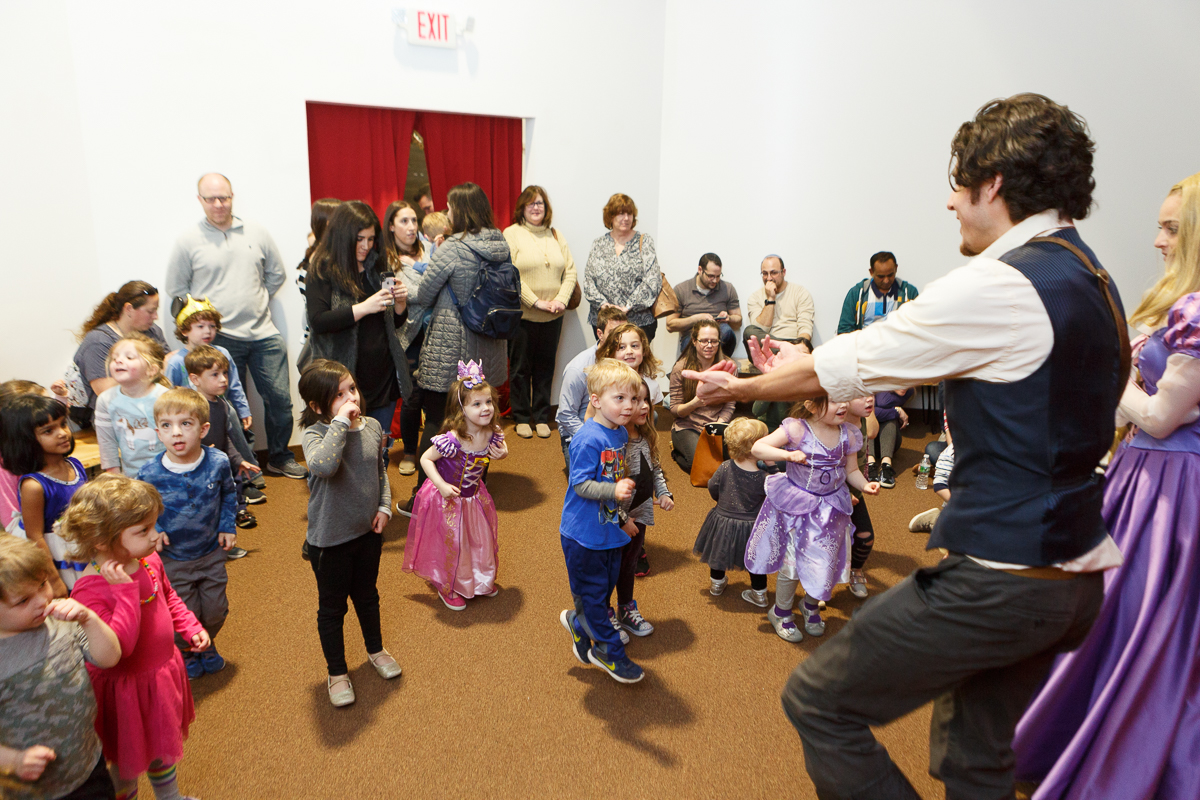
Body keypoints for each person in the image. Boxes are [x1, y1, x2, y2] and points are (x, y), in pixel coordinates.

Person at [685, 93, 1126, 799]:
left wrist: (734, 390)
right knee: (974, 761)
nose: (950, 203)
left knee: (820, 703)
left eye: (958, 184)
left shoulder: (1004, 285)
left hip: (1003, 579)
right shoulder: (1094, 277)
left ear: (994, 185)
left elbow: (850, 361)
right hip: (1073, 578)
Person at [1012, 172, 1200, 800]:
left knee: (1148, 628)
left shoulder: (1196, 312)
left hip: (1172, 490)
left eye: (1170, 227)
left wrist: (1107, 368)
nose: (1157, 239)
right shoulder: (1180, 304)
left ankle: (1129, 763)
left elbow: (1157, 416)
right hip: (1144, 475)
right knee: (1118, 621)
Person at [61, 474, 211, 800]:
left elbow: (167, 597)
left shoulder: (147, 559)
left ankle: (169, 797)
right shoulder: (89, 588)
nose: (155, 537)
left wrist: (189, 626)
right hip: (125, 690)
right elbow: (120, 648)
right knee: (126, 764)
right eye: (143, 531)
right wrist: (126, 593)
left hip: (158, 677)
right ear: (102, 540)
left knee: (160, 747)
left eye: (153, 526)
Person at [165, 173, 303, 479]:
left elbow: (276, 274)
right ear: (199, 200)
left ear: (232, 197)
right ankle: (243, 466)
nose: (218, 204)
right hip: (219, 339)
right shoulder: (188, 241)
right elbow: (177, 290)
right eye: (210, 198)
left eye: (224, 197)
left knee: (280, 399)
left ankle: (279, 457)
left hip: (264, 332)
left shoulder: (256, 232)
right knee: (225, 410)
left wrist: (255, 302)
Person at [400, 182, 511, 514]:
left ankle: (424, 497)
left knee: (436, 419)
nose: (446, 212)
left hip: (452, 350)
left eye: (449, 207)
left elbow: (424, 293)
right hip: (489, 350)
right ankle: (472, 490)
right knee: (482, 420)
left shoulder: (452, 247)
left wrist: (403, 280)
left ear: (460, 210)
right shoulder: (501, 243)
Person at [297, 360, 400, 708]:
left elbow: (379, 472)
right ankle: (337, 671)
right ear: (316, 407)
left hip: (366, 534)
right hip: (329, 541)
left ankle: (375, 649)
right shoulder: (314, 435)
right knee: (332, 609)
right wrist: (340, 422)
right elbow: (324, 466)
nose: (350, 398)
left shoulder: (371, 426)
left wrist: (385, 507)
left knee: (368, 598)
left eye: (351, 389)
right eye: (338, 395)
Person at [745, 397, 878, 642]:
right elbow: (758, 449)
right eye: (834, 400)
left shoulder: (848, 433)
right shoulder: (797, 428)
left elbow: (851, 470)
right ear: (811, 404)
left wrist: (864, 484)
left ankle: (810, 604)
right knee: (793, 563)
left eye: (844, 399)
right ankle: (781, 611)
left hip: (831, 510)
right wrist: (788, 455)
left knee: (825, 560)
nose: (843, 406)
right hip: (800, 508)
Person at [0, 534, 122, 800]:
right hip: (36, 789)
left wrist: (89, 619)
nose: (42, 600)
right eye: (22, 601)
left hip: (88, 762)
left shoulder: (60, 624)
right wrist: (13, 760)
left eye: (42, 584)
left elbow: (109, 657)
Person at [135, 388, 237, 683]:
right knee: (184, 612)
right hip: (173, 559)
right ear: (158, 432)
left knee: (217, 609)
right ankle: (189, 651)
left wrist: (227, 525)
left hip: (210, 552)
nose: (176, 433)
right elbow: (140, 508)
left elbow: (230, 494)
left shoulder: (217, 461)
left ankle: (206, 640)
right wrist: (153, 529)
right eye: (166, 425)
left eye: (186, 424)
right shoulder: (149, 472)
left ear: (203, 429)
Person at [558, 359, 642, 684]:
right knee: (594, 598)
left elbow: (612, 478)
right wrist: (614, 489)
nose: (628, 405)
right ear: (596, 400)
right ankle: (608, 652)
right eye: (619, 398)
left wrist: (621, 516)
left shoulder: (620, 433)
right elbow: (580, 484)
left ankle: (578, 624)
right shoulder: (587, 439)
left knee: (602, 591)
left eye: (632, 399)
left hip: (608, 531)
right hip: (582, 536)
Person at [402, 361, 507, 611]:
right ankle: (447, 584)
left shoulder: (492, 431)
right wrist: (440, 485)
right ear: (461, 408)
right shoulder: (453, 438)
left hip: (473, 498)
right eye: (477, 404)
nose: (486, 409)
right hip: (447, 499)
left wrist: (501, 454)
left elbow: (501, 450)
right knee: (453, 543)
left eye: (488, 402)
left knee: (477, 540)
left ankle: (479, 580)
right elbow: (426, 459)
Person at [306, 200, 411, 434]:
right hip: (342, 383)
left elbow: (393, 325)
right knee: (345, 453)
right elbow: (318, 321)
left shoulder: (377, 268)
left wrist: (401, 305)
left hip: (382, 377)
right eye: (359, 239)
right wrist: (364, 307)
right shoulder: (322, 270)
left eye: (371, 239)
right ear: (344, 237)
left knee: (378, 449)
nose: (366, 246)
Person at [504, 185, 578, 440]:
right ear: (521, 208)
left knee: (546, 368)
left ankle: (542, 416)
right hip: (523, 316)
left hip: (554, 315)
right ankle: (523, 417)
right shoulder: (511, 234)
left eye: (540, 204)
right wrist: (535, 302)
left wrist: (560, 300)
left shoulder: (555, 235)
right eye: (531, 203)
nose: (536, 208)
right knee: (520, 368)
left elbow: (570, 271)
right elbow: (510, 274)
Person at [0, 396, 87, 597]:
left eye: (63, 425)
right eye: (48, 431)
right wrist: (54, 580)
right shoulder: (34, 486)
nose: (63, 433)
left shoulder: (75, 465)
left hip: (85, 548)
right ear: (27, 440)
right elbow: (35, 536)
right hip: (62, 558)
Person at [608, 380, 672, 640]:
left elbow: (655, 469)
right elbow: (605, 489)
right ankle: (604, 613)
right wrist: (622, 519)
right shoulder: (615, 443)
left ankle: (625, 608)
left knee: (628, 565)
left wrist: (664, 493)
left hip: (640, 517)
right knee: (609, 567)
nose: (644, 406)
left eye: (647, 400)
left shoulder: (647, 437)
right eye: (637, 400)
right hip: (614, 521)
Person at [694, 416, 771, 602]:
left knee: (717, 553)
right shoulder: (764, 476)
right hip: (754, 525)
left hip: (723, 520)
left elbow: (713, 486)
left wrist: (721, 502)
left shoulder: (725, 467)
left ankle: (717, 584)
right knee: (756, 560)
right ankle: (760, 594)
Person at [186, 346, 262, 535]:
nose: (223, 379)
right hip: (199, 466)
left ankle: (238, 512)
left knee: (232, 485)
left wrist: (238, 460)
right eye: (215, 375)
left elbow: (224, 437)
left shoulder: (222, 405)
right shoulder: (191, 407)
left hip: (220, 460)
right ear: (195, 379)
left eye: (225, 374)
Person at [381, 200, 432, 476]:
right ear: (391, 225)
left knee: (436, 396)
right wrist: (424, 291)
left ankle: (434, 453)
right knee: (412, 398)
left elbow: (436, 290)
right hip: (406, 336)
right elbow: (391, 300)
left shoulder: (428, 251)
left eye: (414, 220)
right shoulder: (385, 260)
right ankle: (410, 451)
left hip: (436, 333)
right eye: (404, 221)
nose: (411, 227)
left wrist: (415, 292)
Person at [71, 281, 166, 429]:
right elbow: (105, 390)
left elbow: (169, 368)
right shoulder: (98, 341)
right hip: (114, 417)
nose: (155, 316)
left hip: (153, 407)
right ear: (129, 309)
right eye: (150, 311)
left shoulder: (154, 332)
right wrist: (149, 374)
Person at [555, 306, 629, 471]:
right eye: (614, 333)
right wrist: (596, 439)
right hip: (581, 432)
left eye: (623, 333)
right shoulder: (578, 367)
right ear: (600, 334)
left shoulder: (627, 359)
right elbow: (566, 416)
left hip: (616, 427)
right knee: (589, 485)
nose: (619, 339)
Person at [164, 295, 252, 430]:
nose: (207, 331)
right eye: (200, 326)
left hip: (223, 414)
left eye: (212, 326)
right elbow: (168, 396)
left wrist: (243, 410)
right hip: (191, 421)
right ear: (184, 330)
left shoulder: (222, 353)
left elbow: (235, 385)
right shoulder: (176, 362)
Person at [583, 193, 662, 342]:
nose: (626, 218)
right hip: (605, 323)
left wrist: (628, 306)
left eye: (629, 213)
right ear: (610, 216)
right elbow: (588, 281)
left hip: (638, 321)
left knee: (633, 364)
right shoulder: (598, 243)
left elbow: (652, 280)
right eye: (620, 213)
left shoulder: (644, 241)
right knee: (608, 364)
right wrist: (604, 305)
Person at [94, 336, 170, 477]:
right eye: (114, 358)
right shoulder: (105, 400)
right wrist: (115, 478)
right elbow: (107, 444)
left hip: (169, 474)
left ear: (151, 369)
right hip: (132, 478)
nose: (118, 361)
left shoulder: (166, 397)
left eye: (129, 357)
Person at [669, 322, 735, 473]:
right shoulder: (681, 368)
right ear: (694, 341)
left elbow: (729, 406)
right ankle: (676, 450)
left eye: (714, 341)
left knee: (733, 462)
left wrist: (719, 426)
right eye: (704, 340)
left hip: (716, 424)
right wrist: (696, 403)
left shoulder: (729, 366)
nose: (709, 345)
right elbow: (674, 410)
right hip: (688, 425)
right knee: (699, 467)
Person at [665, 253, 741, 357]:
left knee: (727, 331)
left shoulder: (727, 288)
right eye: (710, 276)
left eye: (718, 276)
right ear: (700, 270)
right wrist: (696, 319)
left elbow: (738, 321)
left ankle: (716, 366)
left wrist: (729, 318)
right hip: (692, 337)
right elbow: (670, 325)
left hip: (718, 336)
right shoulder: (681, 289)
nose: (715, 280)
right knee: (693, 343)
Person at [845, 395, 881, 598]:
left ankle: (855, 570)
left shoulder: (864, 419)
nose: (869, 399)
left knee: (865, 537)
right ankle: (817, 583)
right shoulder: (837, 424)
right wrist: (843, 492)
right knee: (827, 541)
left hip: (856, 486)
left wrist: (867, 407)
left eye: (871, 394)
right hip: (831, 491)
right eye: (861, 395)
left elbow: (874, 432)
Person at [836, 251, 919, 334]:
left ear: (896, 268)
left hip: (898, 344)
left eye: (890, 275)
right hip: (866, 344)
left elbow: (918, 326)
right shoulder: (857, 293)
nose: (886, 281)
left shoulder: (909, 293)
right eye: (881, 277)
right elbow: (844, 330)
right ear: (871, 272)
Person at [743, 256, 814, 352]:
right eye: (765, 273)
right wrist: (771, 298)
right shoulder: (755, 297)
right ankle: (787, 353)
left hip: (793, 343)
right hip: (769, 346)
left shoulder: (800, 292)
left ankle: (789, 353)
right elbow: (760, 330)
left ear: (783, 272)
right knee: (749, 331)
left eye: (773, 273)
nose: (769, 278)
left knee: (804, 345)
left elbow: (805, 327)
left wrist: (800, 346)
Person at [867, 388, 913, 488]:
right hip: (867, 445)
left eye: (907, 382)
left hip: (890, 443)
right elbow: (870, 412)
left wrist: (893, 411)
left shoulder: (909, 390)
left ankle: (886, 465)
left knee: (889, 419)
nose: (904, 387)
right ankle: (870, 463)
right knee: (868, 417)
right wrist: (898, 412)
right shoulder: (873, 385)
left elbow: (883, 403)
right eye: (899, 382)